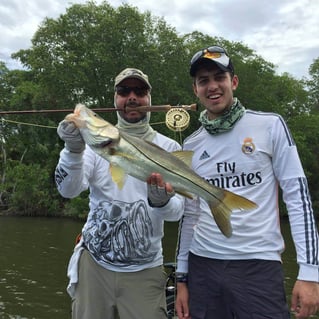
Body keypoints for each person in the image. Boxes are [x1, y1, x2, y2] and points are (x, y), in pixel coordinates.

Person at [175, 46, 319, 319]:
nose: (212, 86)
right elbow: (190, 213)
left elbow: (298, 198)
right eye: (203, 81)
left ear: (234, 82)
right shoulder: (191, 144)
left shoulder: (270, 125)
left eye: (219, 77)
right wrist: (182, 278)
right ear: (195, 89)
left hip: (258, 265)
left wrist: (310, 271)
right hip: (203, 266)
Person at [55, 68, 184, 319]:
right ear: (115, 100)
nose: (132, 97)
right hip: (94, 265)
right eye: (124, 92)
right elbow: (67, 190)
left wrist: (162, 203)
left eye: (140, 91)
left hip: (145, 270)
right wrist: (72, 151)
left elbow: (177, 213)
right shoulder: (93, 147)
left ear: (150, 99)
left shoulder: (170, 148)